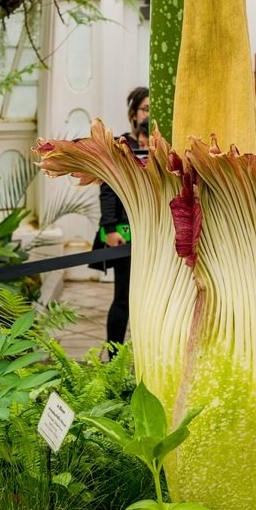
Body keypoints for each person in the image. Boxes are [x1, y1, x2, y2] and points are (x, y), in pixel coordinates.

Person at [93, 86, 149, 346]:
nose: (148, 115)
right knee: (124, 297)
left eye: (153, 110)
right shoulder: (121, 146)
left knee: (149, 298)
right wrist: (110, 229)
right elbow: (108, 190)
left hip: (153, 234)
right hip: (125, 231)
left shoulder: (162, 145)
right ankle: (114, 358)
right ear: (133, 113)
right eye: (145, 109)